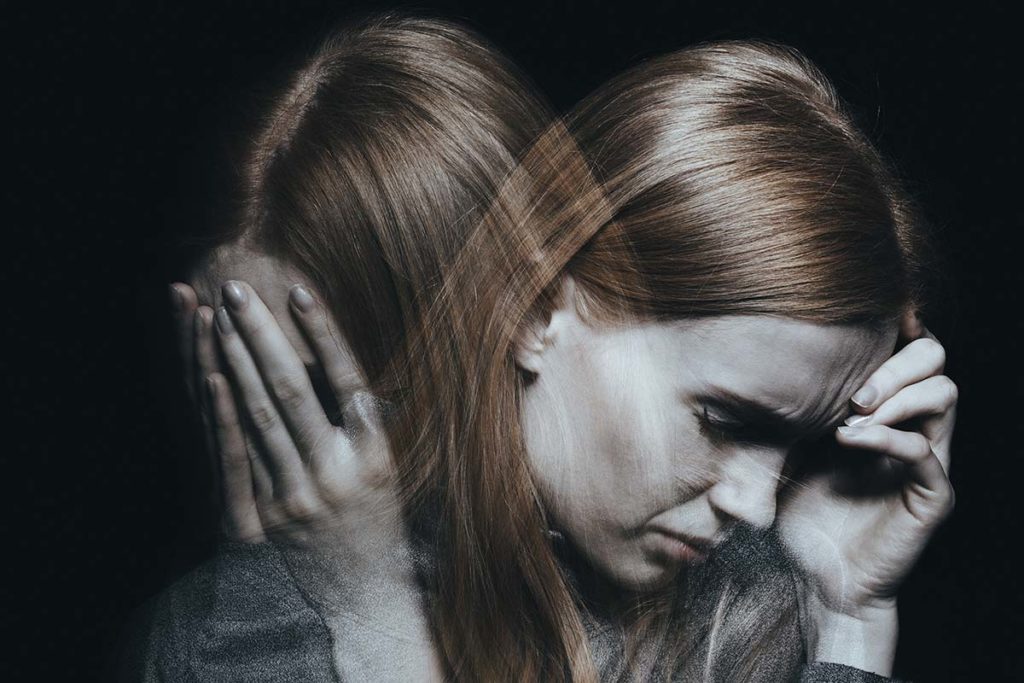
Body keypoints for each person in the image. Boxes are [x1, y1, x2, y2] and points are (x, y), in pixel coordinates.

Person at [129, 15, 955, 683]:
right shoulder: (241, 630)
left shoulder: (754, 606)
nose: (757, 507)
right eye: (722, 418)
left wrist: (847, 616)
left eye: (796, 439)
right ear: (532, 307)